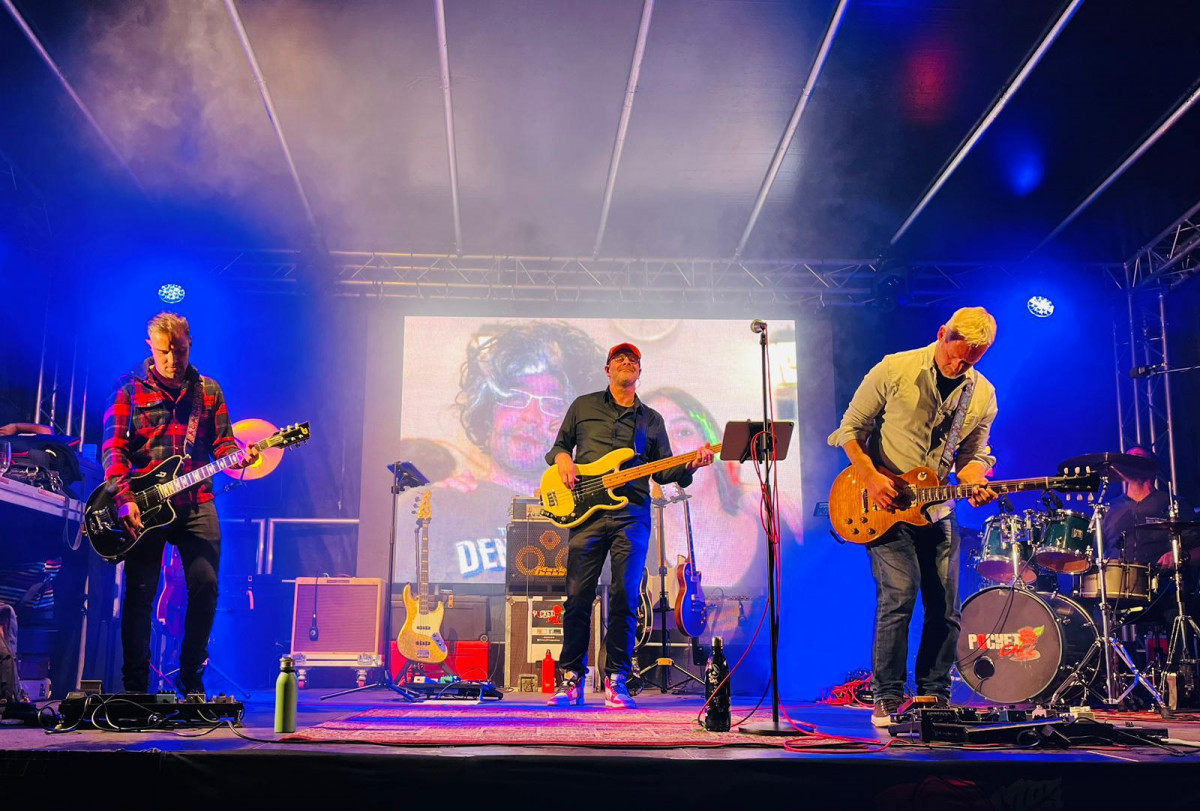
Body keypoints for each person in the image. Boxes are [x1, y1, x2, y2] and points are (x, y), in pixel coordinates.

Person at [828, 307, 999, 727]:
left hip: (937, 507)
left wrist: (975, 480)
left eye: (970, 361)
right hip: (883, 503)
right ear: (942, 334)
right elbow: (850, 429)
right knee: (900, 595)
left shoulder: (982, 393)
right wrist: (870, 478)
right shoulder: (895, 368)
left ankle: (933, 694)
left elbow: (973, 456)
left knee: (946, 607)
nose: (959, 367)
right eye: (955, 356)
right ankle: (887, 696)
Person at [545, 343, 715, 708]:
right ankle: (571, 678)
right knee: (577, 597)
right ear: (607, 369)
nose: (626, 362)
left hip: (632, 514)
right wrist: (563, 460)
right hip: (586, 513)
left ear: (640, 371)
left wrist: (691, 464)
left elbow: (664, 470)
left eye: (633, 359)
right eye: (619, 359)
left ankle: (617, 679)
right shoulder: (583, 406)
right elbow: (559, 447)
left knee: (625, 596)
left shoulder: (650, 420)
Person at [102, 312, 257, 697]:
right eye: (164, 352)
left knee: (206, 586)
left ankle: (191, 680)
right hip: (143, 505)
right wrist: (124, 499)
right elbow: (114, 449)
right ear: (150, 347)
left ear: (191, 344)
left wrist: (239, 455)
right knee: (140, 592)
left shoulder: (208, 390)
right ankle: (136, 688)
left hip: (195, 499)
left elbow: (222, 444)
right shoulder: (128, 388)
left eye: (181, 351)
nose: (173, 360)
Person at [1101, 446, 1193, 570]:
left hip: (1161, 578)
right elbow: (1093, 553)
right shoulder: (1109, 508)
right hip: (1114, 579)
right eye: (1128, 458)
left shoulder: (1174, 504)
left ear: (1153, 468)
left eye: (1138, 457)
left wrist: (1181, 556)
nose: (1131, 461)